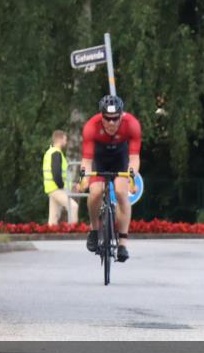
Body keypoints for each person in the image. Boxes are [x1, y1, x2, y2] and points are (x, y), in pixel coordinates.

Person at [78, 95, 142, 263]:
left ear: (122, 115)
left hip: (119, 158)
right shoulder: (91, 126)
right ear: (101, 116)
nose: (111, 123)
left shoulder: (132, 125)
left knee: (121, 193)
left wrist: (131, 176)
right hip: (99, 158)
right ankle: (94, 230)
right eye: (107, 118)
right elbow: (86, 160)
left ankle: (122, 243)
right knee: (95, 192)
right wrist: (84, 179)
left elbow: (134, 158)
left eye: (115, 119)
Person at [43, 130, 79, 226]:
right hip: (57, 188)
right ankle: (73, 231)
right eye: (65, 139)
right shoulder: (56, 153)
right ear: (60, 139)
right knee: (73, 206)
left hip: (52, 188)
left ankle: (50, 235)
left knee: (53, 218)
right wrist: (62, 186)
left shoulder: (50, 152)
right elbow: (56, 172)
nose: (66, 142)